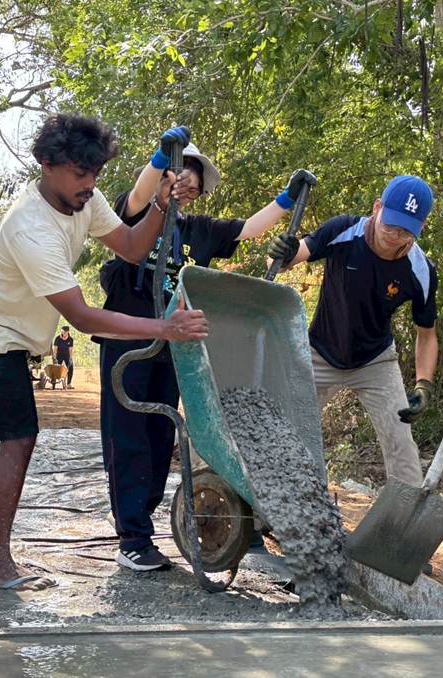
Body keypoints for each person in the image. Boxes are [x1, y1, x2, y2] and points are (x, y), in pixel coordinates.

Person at [0, 114, 208, 591]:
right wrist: (165, 327)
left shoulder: (85, 199)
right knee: (19, 435)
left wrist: (161, 204)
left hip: (12, 322)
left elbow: (131, 248)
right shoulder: (31, 228)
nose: (89, 184)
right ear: (46, 165)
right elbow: (82, 317)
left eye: (94, 173)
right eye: (80, 174)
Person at [97, 124, 314, 571]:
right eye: (181, 177)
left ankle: (143, 524)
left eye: (194, 184)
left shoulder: (200, 230)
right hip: (129, 341)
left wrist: (287, 198)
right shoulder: (135, 216)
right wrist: (162, 158)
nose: (187, 188)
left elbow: (249, 228)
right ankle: (132, 537)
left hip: (174, 348)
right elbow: (138, 194)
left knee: (162, 436)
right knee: (128, 434)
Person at [267, 175, 439, 489]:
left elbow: (426, 334)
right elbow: (287, 259)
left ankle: (404, 513)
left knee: (401, 442)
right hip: (319, 354)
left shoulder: (421, 270)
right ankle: (271, 497)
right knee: (283, 428)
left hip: (375, 361)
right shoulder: (343, 230)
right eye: (390, 225)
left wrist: (423, 385)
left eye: (405, 231)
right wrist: (282, 251)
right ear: (377, 208)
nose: (395, 237)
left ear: (421, 227)